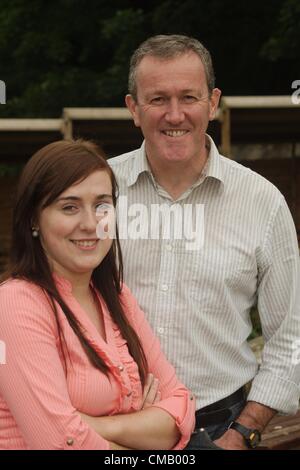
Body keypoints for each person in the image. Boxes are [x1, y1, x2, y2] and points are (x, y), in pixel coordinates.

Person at [109, 34, 300, 450]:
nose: (174, 115)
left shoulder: (262, 202)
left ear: (213, 103)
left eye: (188, 98)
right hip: (107, 428)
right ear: (133, 109)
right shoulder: (96, 190)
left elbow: (291, 338)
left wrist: (244, 433)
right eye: (157, 99)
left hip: (218, 427)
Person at [0, 139, 195, 450]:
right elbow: (60, 444)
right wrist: (142, 428)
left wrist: (93, 425)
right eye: (69, 207)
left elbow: (181, 408)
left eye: (102, 205)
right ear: (34, 219)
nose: (91, 224)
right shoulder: (14, 305)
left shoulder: (115, 296)